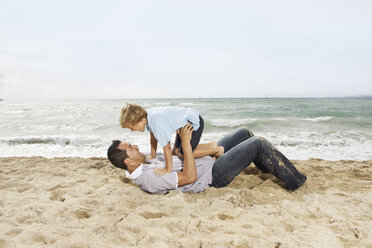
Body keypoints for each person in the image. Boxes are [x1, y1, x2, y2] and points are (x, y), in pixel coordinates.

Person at [107, 123, 307, 194]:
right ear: (127, 161)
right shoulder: (149, 177)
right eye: (130, 148)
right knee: (258, 143)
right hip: (211, 176)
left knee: (244, 132)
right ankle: (296, 181)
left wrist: (208, 147)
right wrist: (185, 144)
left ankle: (267, 167)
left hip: (209, 160)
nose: (134, 145)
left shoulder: (146, 161)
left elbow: (176, 153)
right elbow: (189, 178)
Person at [119, 103, 224, 175]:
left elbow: (167, 148)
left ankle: (217, 150)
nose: (132, 130)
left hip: (192, 122)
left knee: (183, 154)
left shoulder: (156, 122)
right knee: (176, 152)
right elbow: (153, 138)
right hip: (182, 123)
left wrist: (167, 170)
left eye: (131, 127)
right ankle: (212, 145)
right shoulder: (148, 117)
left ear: (139, 120)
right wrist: (153, 155)